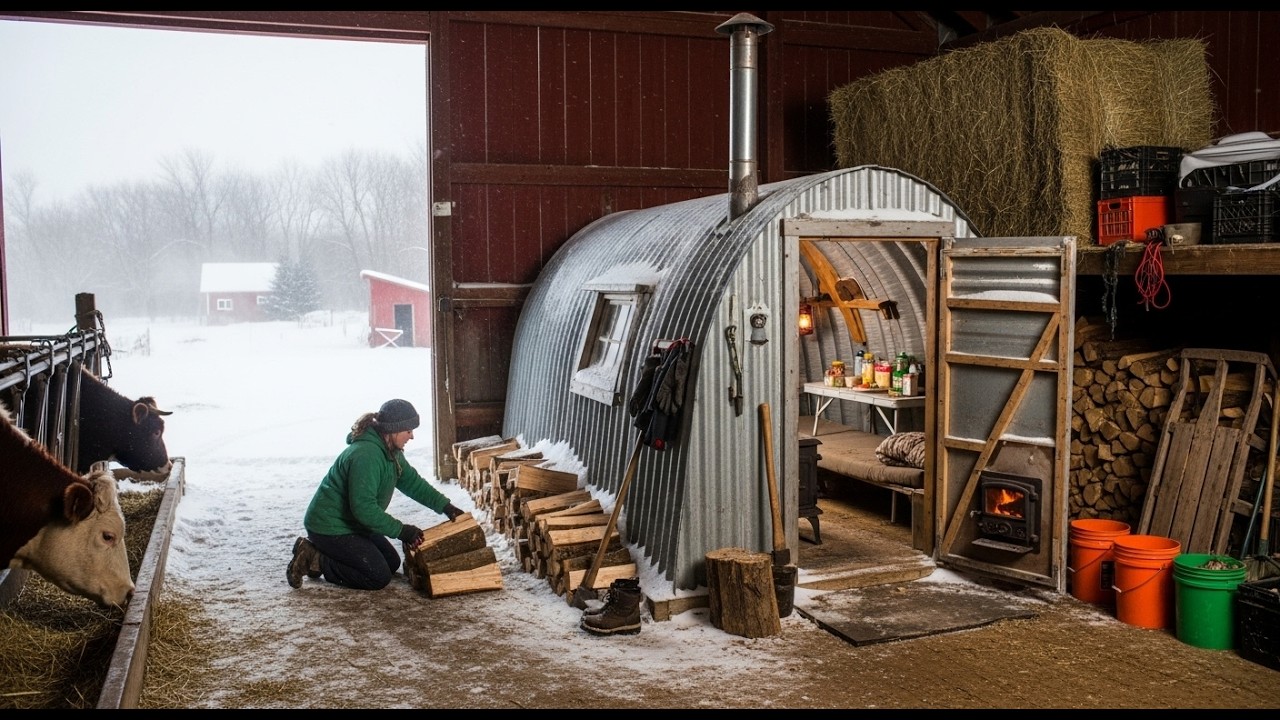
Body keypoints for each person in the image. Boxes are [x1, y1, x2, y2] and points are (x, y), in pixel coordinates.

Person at [287, 398, 464, 590]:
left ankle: (327, 556)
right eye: (408, 430)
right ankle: (315, 559)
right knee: (377, 576)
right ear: (393, 429)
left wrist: (445, 506)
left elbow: (413, 483)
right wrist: (402, 530)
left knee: (391, 563)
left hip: (355, 525)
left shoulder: (391, 452)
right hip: (329, 526)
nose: (411, 436)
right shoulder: (367, 455)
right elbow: (363, 508)